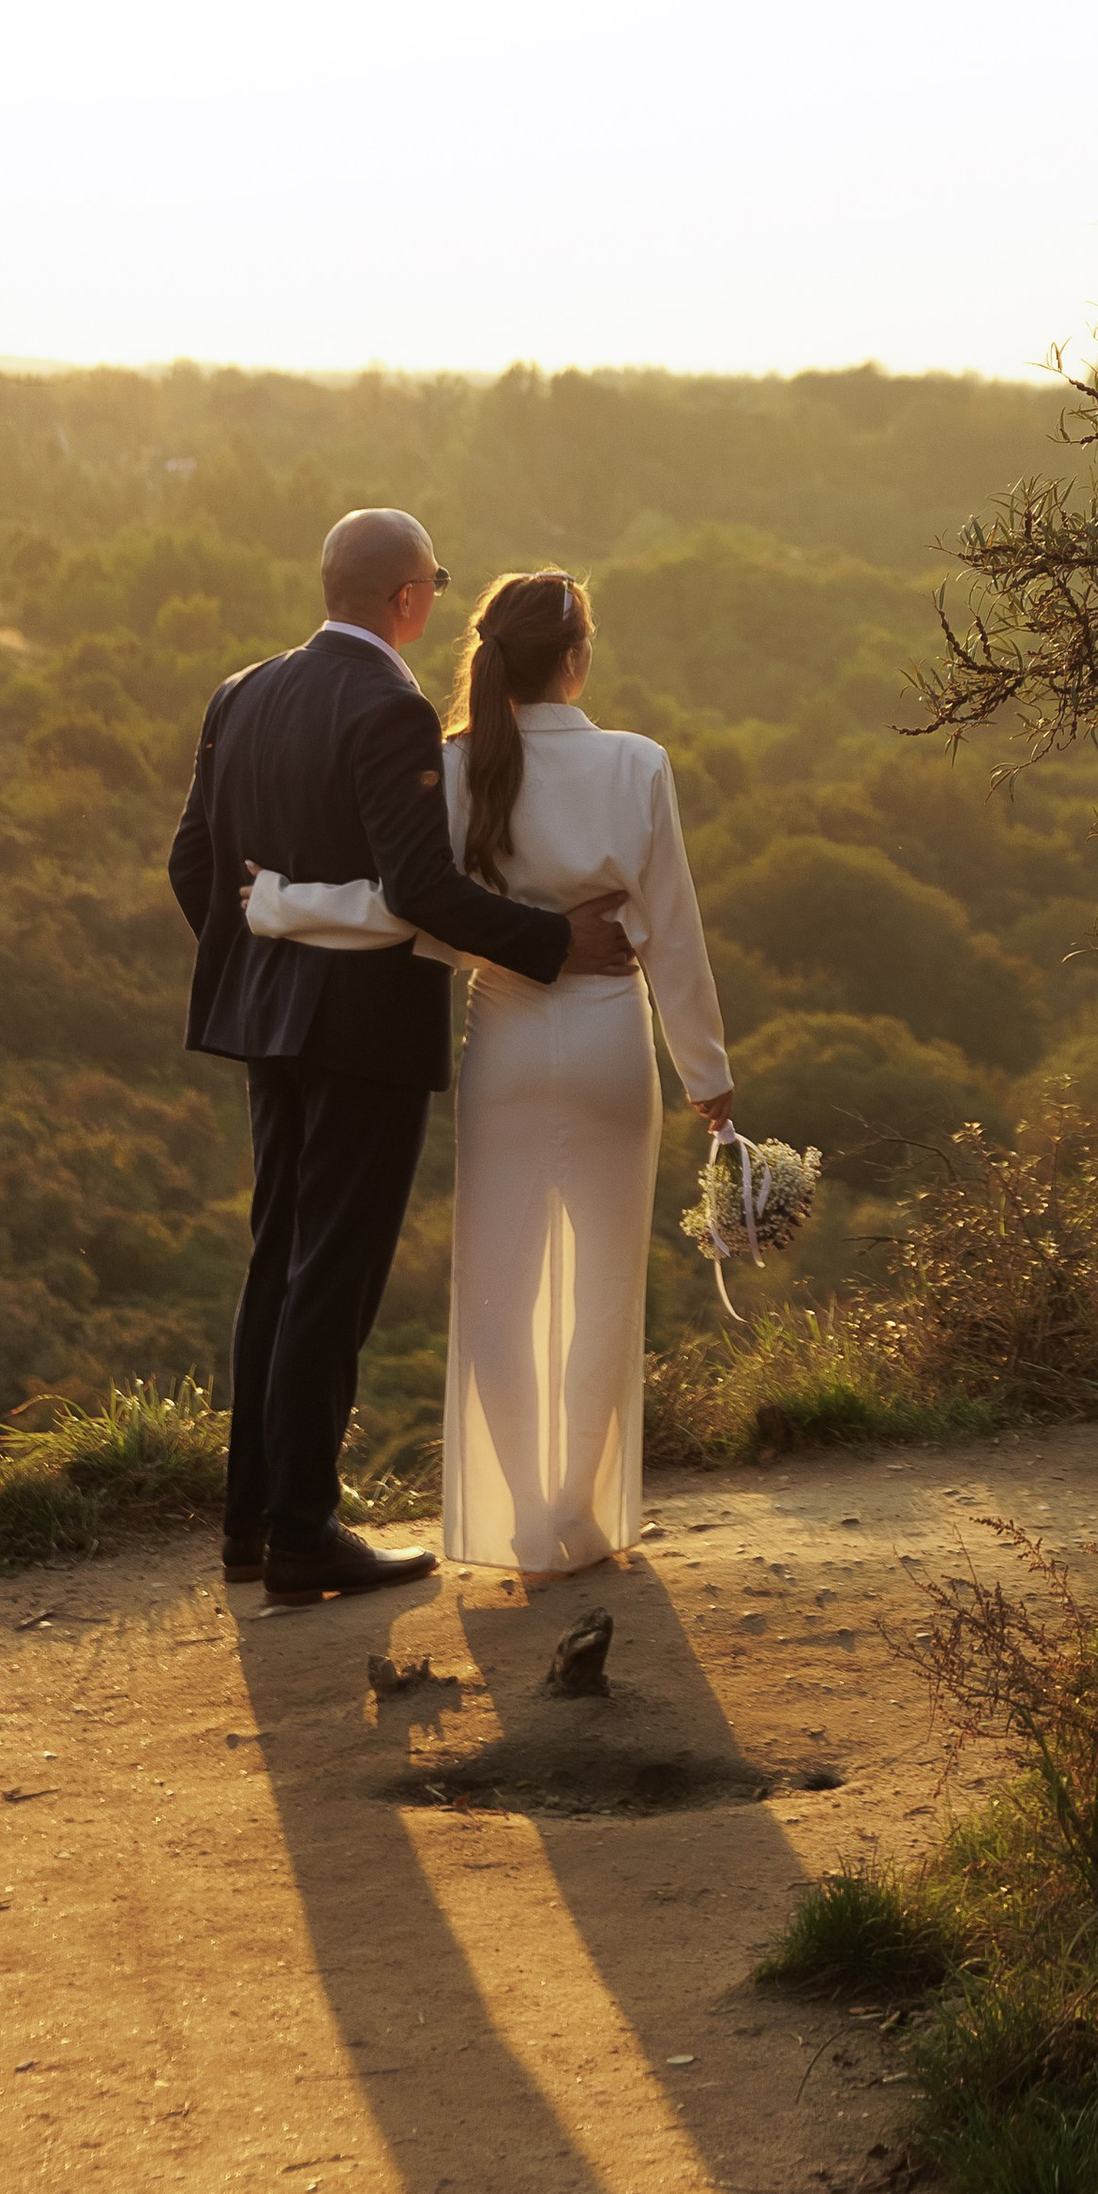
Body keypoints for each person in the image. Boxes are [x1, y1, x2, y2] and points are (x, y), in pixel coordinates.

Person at [168, 507, 640, 1605]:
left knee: (276, 1262)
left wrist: (260, 967)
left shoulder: (239, 692)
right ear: (410, 600)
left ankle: (250, 1527)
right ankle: (302, 1533)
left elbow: (195, 865)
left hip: (263, 1023)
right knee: (332, 1271)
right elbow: (421, 888)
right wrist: (552, 942)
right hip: (364, 1034)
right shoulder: (387, 705)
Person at [243, 566, 734, 1580]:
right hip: (608, 1045)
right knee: (603, 1289)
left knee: (498, 1294)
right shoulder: (639, 765)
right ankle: (571, 1514)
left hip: (503, 1043)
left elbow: (412, 909)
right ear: (576, 660)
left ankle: (516, 1511)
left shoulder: (455, 763)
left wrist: (289, 904)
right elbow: (674, 934)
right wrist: (707, 1076)